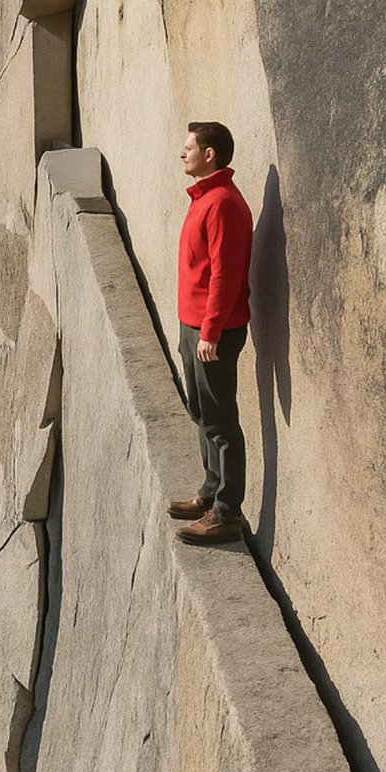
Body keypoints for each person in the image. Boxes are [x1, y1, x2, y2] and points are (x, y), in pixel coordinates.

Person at [168, 121, 253, 545]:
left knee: (220, 421)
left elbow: (226, 274)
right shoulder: (203, 197)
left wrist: (211, 331)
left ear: (210, 155)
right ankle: (208, 494)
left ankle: (226, 513)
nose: (182, 154)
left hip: (210, 332)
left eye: (188, 148)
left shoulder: (221, 203)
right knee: (201, 414)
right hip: (194, 326)